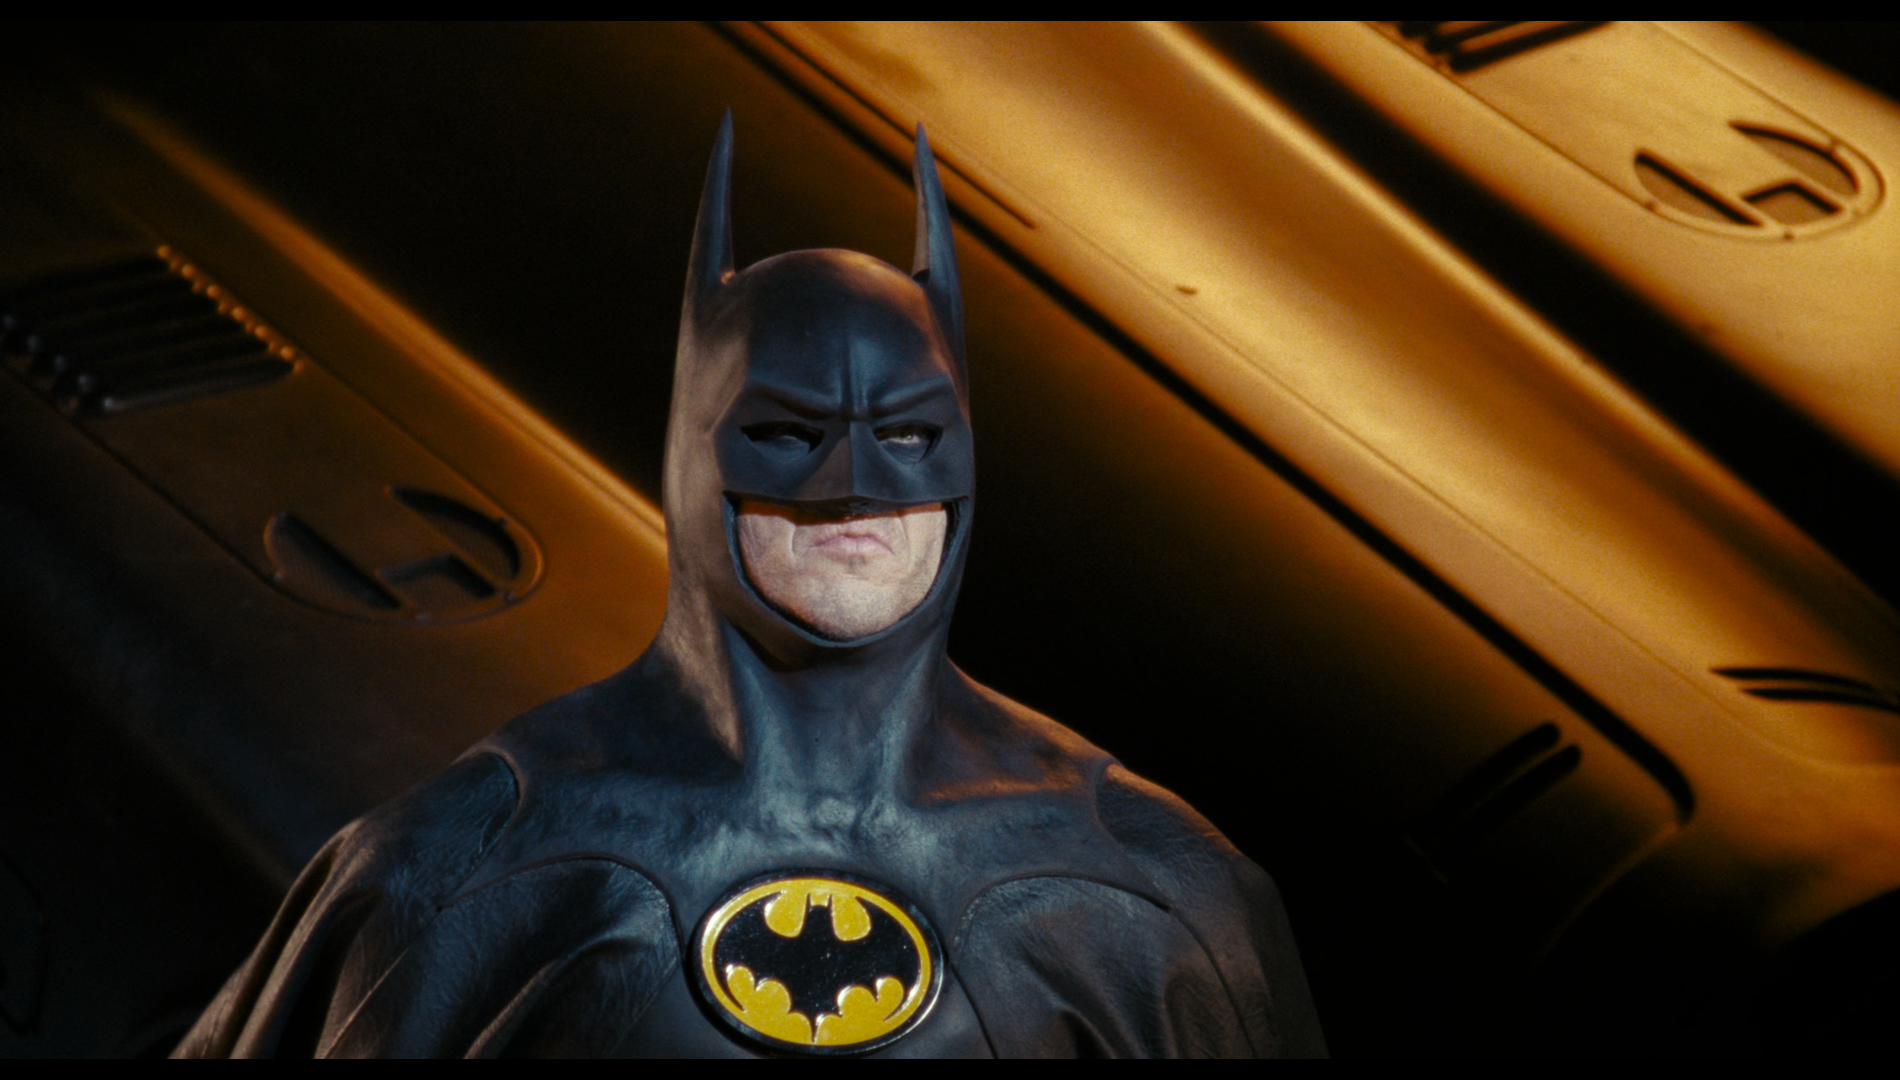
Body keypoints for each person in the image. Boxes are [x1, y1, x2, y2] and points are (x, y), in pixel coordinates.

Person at [175, 117, 1325, 1058]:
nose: (855, 484)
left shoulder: (1146, 887)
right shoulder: (465, 868)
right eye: (787, 432)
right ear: (695, 456)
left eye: (909, 436)